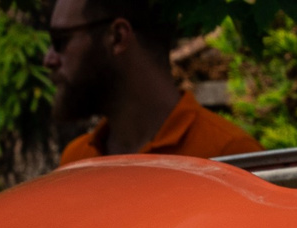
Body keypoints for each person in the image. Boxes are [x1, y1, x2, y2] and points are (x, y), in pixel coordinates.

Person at [46, 0, 259, 165]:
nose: (49, 59)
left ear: (118, 37)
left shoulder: (230, 156)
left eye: (60, 41)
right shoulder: (76, 160)